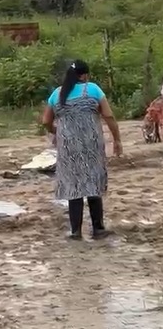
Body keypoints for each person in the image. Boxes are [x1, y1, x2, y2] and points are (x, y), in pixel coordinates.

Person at [42, 60, 121, 240]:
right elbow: (108, 115)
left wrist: (57, 131)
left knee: (73, 185)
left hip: (68, 146)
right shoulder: (93, 89)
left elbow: (46, 121)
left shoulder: (57, 93)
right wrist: (117, 139)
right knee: (93, 182)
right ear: (84, 75)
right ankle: (98, 228)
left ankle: (75, 231)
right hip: (91, 144)